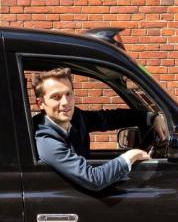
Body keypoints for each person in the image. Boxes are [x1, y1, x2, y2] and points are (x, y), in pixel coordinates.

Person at [32, 67, 168, 192]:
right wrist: (131, 155)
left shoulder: (75, 118)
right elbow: (93, 179)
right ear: (41, 103)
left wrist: (150, 117)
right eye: (56, 97)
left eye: (69, 94)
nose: (65, 102)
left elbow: (109, 118)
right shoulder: (46, 140)